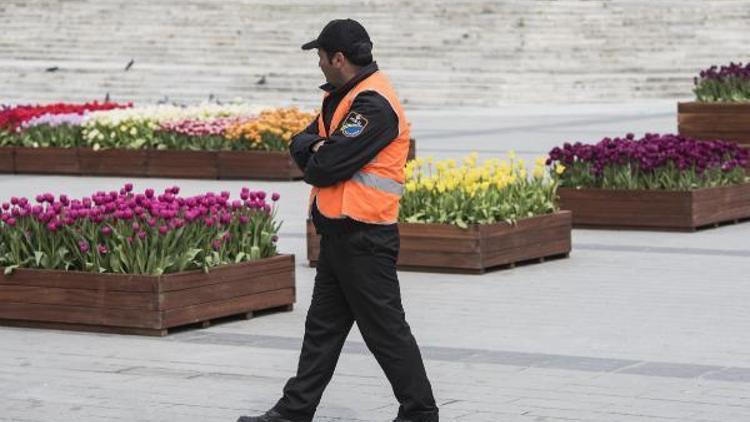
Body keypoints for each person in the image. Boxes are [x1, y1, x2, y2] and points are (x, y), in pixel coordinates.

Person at [237, 18, 438, 422]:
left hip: (365, 238)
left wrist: (317, 149)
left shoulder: (372, 105)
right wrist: (316, 145)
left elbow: (322, 166)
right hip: (339, 235)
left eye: (321, 57)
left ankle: (421, 413)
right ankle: (294, 411)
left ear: (339, 58)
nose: (319, 65)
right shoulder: (345, 98)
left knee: (386, 332)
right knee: (322, 331)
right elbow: (302, 141)